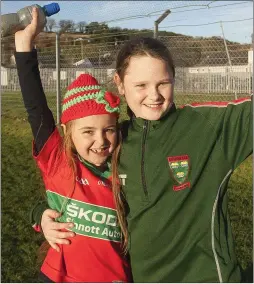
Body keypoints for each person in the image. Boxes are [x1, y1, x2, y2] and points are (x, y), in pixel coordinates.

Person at [30, 24, 252, 282]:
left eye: (163, 83)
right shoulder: (115, 140)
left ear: (174, 78)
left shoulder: (208, 127)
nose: (154, 95)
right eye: (141, 85)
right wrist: (41, 215)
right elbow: (73, 187)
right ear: (120, 84)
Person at [14, 7, 132, 283]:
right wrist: (24, 44)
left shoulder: (127, 161)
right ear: (67, 132)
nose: (101, 140)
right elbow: (36, 108)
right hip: (57, 277)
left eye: (109, 130)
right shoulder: (58, 161)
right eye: (88, 131)